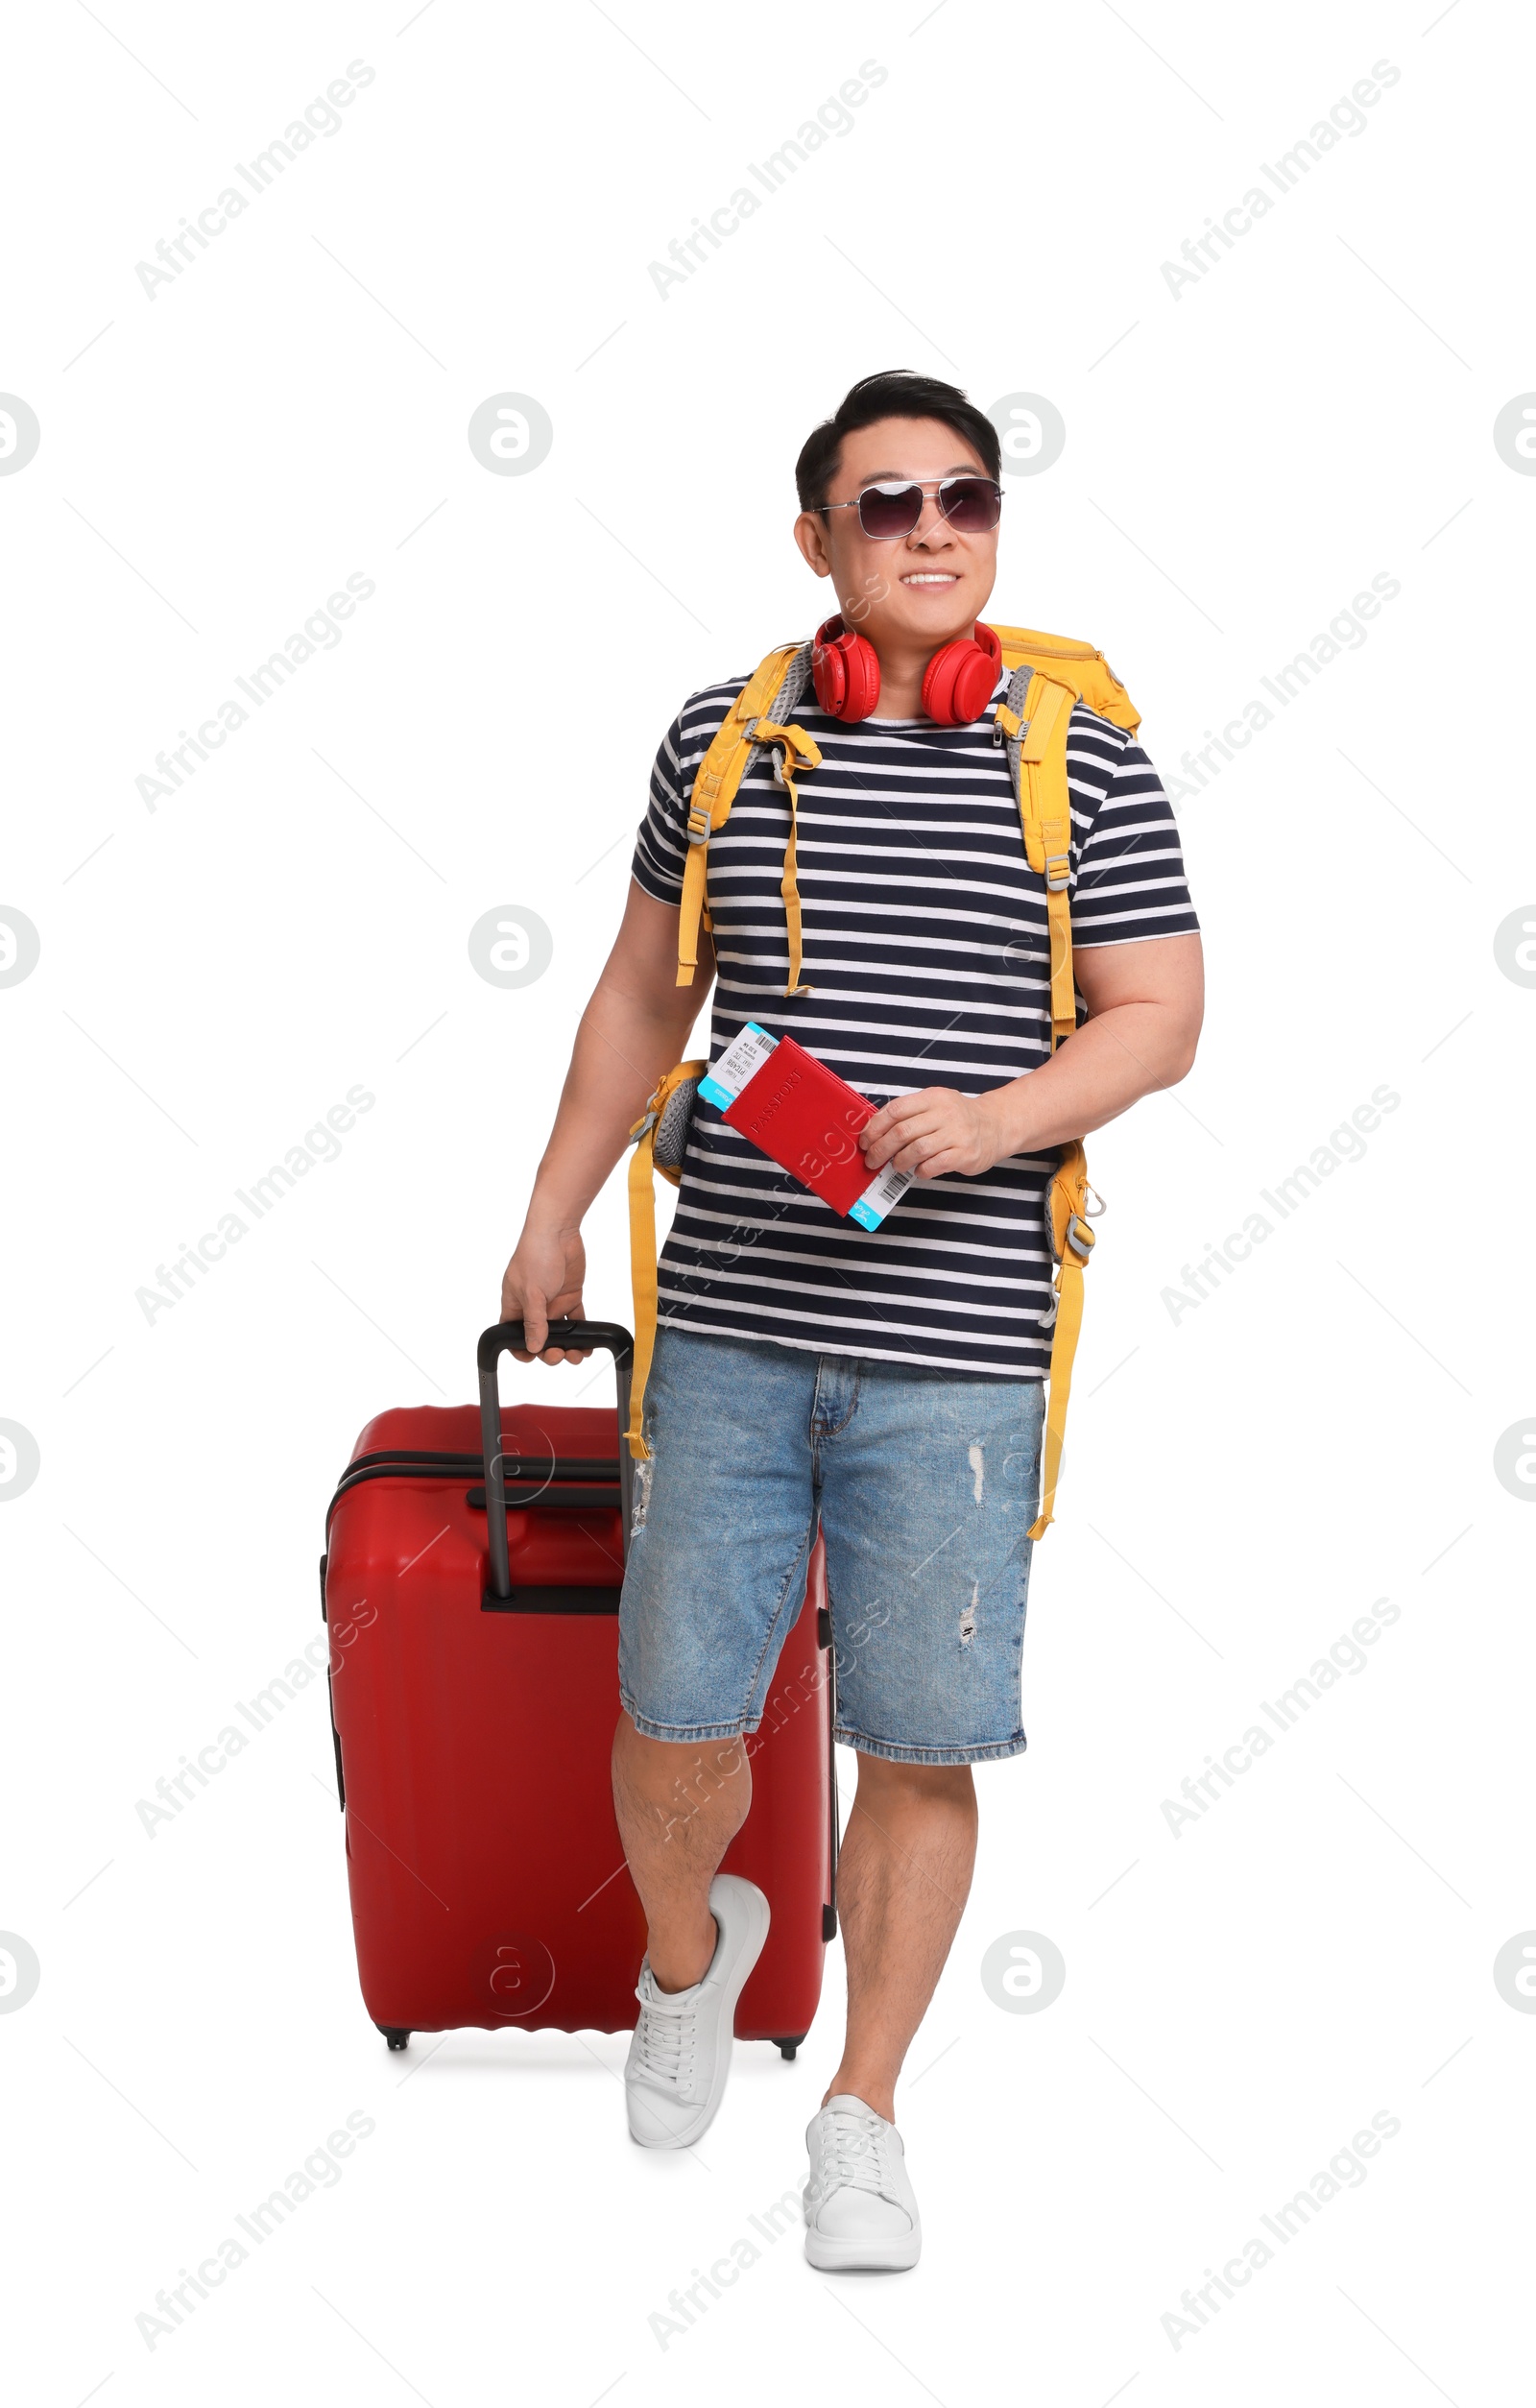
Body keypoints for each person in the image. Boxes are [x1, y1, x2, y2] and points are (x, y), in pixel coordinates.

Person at [499, 369, 1203, 2271]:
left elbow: (1157, 1012)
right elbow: (645, 998)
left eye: (964, 498)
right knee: (671, 1721)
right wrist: (548, 1211)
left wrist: (993, 1119)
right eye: (884, 504)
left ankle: (860, 2110)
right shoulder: (721, 743)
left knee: (915, 1740)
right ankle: (680, 1963)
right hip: (726, 1329)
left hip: (958, 1362)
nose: (931, 532)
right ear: (814, 539)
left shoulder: (1079, 752)